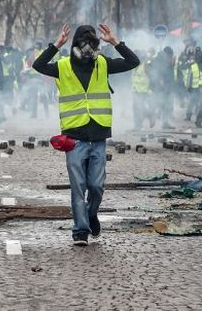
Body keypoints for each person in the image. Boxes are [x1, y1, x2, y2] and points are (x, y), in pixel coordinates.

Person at [33, 23, 139, 246]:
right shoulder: (62, 66)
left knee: (97, 186)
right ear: (75, 45)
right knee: (78, 187)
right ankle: (80, 230)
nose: (89, 48)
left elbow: (133, 62)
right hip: (74, 139)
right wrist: (56, 45)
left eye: (93, 43)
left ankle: (91, 215)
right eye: (85, 43)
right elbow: (38, 65)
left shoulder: (103, 64)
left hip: (98, 136)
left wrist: (115, 42)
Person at [131, 50, 153, 129]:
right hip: (135, 90)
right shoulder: (135, 66)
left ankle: (149, 116)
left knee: (140, 108)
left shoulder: (146, 66)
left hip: (143, 91)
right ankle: (138, 125)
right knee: (136, 108)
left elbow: (152, 77)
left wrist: (150, 89)